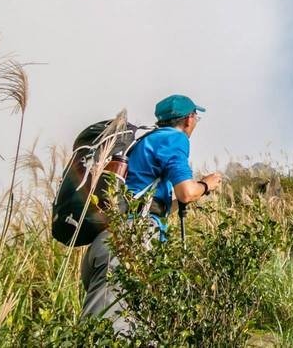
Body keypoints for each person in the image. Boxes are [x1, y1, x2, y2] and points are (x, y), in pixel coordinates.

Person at [80, 94, 223, 332]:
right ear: (188, 119)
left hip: (106, 242)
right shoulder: (174, 140)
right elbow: (186, 192)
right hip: (129, 244)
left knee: (131, 331)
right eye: (196, 117)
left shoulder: (143, 143)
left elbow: (155, 206)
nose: (195, 122)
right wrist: (206, 184)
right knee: (109, 334)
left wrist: (197, 192)